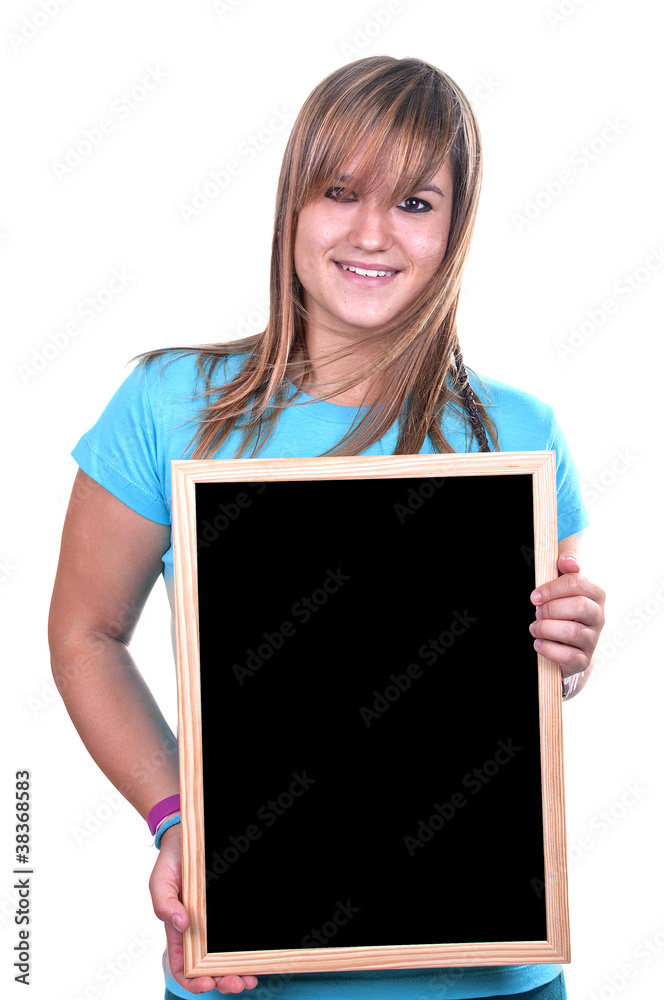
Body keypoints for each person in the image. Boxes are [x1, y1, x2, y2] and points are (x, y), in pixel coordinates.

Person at [48, 55, 605, 1000]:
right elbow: (85, 635)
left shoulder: (517, 432)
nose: (372, 234)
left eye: (416, 203)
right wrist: (178, 819)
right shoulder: (169, 404)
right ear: (291, 206)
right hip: (248, 965)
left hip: (486, 967)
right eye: (340, 191)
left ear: (455, 228)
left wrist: (573, 642)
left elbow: (538, 677)